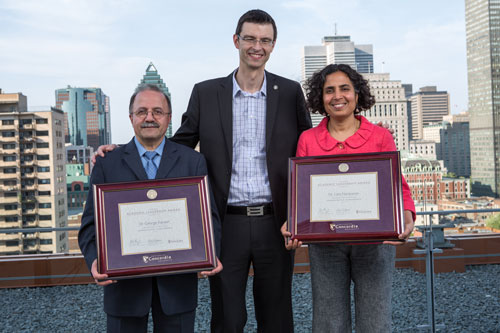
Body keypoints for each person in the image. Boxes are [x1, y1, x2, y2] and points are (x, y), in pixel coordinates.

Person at [94, 9, 311, 332]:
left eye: (265, 40)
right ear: (236, 41)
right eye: (250, 38)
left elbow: (309, 150)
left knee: (277, 317)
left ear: (273, 45)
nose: (257, 46)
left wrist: (300, 217)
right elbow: (177, 147)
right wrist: (123, 151)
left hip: (275, 224)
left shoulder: (290, 92)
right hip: (225, 225)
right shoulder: (206, 93)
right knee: (227, 319)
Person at [281, 64, 416, 333]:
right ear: (321, 98)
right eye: (329, 90)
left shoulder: (380, 137)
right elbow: (302, 193)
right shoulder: (308, 139)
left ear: (357, 94)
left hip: (375, 244)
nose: (337, 96)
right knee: (328, 323)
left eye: (345, 88)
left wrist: (407, 218)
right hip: (326, 244)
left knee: (375, 323)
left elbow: (398, 187)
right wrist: (293, 223)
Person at [78, 84, 222, 333]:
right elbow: (90, 224)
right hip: (123, 290)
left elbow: (209, 217)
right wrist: (94, 261)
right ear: (131, 117)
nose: (149, 117)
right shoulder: (107, 164)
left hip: (178, 289)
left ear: (169, 118)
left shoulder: (193, 162)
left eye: (157, 111)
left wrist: (210, 253)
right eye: (142, 111)